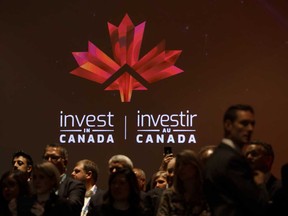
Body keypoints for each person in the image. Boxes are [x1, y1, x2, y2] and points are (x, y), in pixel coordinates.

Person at [204, 104, 270, 216]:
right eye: (244, 123)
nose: (250, 129)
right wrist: (260, 184)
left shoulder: (218, 155)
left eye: (252, 124)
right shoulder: (232, 160)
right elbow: (257, 204)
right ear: (228, 125)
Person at [156, 149, 210, 216]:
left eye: (185, 164)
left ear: (195, 166)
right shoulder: (169, 195)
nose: (180, 168)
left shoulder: (206, 194)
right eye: (178, 165)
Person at [42, 143, 85, 216]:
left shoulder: (75, 185)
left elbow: (72, 208)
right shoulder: (35, 184)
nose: (48, 161)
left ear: (65, 163)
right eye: (46, 158)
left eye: (54, 157)